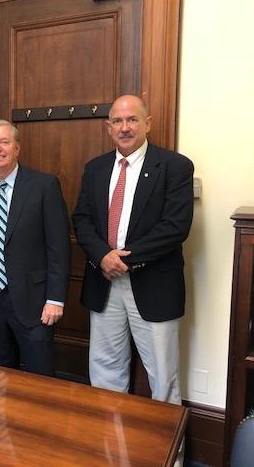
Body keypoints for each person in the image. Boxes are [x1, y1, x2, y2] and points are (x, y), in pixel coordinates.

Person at [72, 94, 194, 406]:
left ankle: (170, 456)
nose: (125, 127)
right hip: (104, 282)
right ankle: (110, 448)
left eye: (132, 119)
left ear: (147, 123)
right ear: (108, 127)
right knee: (105, 371)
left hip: (154, 283)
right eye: (117, 121)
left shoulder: (175, 166)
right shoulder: (95, 168)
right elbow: (82, 220)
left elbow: (175, 226)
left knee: (163, 378)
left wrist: (124, 260)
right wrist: (103, 256)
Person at [0, 119, 70, 376]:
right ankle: (1, 418)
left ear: (17, 148)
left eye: (4, 142)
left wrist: (55, 299)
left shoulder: (44, 186)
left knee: (38, 375)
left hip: (35, 303)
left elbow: (59, 247)